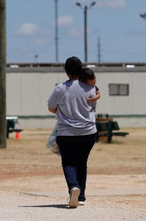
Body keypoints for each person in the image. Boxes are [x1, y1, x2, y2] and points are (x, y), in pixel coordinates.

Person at [47, 56, 97, 208]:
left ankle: (73, 187)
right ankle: (81, 197)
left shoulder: (60, 88)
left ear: (66, 72)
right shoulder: (91, 88)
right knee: (82, 162)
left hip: (67, 132)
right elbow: (93, 108)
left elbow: (51, 107)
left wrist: (61, 111)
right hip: (88, 132)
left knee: (69, 162)